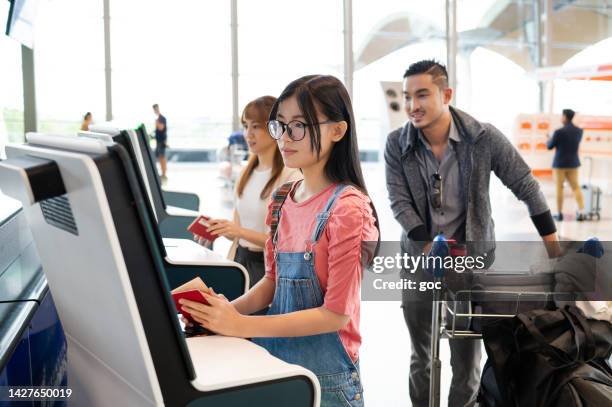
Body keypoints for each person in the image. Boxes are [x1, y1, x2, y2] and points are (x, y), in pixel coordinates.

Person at [180, 75, 379, 406]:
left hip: (328, 383)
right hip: (277, 368)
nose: (285, 138)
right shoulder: (282, 198)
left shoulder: (348, 210)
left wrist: (241, 324)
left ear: (337, 130)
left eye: (299, 126)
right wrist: (222, 316)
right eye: (280, 125)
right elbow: (272, 283)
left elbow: (335, 315)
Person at [384, 60, 560, 407]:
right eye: (407, 97)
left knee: (466, 361)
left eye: (422, 95)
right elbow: (399, 202)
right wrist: (425, 246)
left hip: (470, 263)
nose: (412, 106)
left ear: (446, 94)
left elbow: (524, 184)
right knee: (421, 356)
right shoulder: (397, 144)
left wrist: (554, 247)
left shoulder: (482, 137)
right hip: (419, 261)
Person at [199, 96, 301, 287]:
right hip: (239, 262)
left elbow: (285, 243)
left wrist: (239, 231)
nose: (248, 134)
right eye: (245, 126)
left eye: (255, 126)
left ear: (274, 128)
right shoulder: (246, 172)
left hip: (268, 269)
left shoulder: (291, 177)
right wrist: (220, 228)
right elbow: (239, 233)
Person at [547, 108, 585, 221]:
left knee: (559, 188)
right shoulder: (579, 131)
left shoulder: (558, 132)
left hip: (560, 164)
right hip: (573, 163)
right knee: (576, 187)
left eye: (561, 115)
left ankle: (559, 214)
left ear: (565, 117)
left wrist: (548, 139)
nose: (561, 118)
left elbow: (550, 146)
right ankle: (581, 212)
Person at [152, 104, 168, 182]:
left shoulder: (162, 118)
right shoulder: (158, 119)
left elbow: (161, 128)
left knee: (162, 157)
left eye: (156, 109)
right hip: (158, 141)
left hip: (162, 141)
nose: (155, 111)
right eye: (154, 110)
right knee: (159, 157)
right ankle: (162, 174)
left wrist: (157, 123)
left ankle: (164, 174)